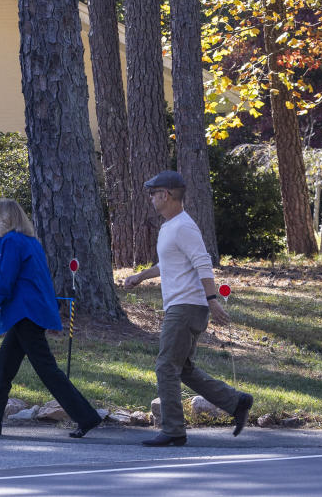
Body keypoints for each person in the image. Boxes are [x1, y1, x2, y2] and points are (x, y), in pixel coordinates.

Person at [123, 170, 252, 447]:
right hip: (181, 305)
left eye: (153, 193)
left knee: (166, 366)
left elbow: (202, 262)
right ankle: (236, 402)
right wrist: (140, 277)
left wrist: (212, 299)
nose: (150, 198)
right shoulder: (170, 226)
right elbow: (167, 265)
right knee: (183, 368)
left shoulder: (183, 226)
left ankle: (173, 430)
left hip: (186, 306)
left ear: (165, 195)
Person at [0, 199, 101, 439]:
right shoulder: (29, 241)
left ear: (6, 220)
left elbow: (5, 283)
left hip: (25, 313)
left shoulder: (10, 241)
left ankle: (86, 416)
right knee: (3, 368)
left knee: (46, 370)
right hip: (30, 312)